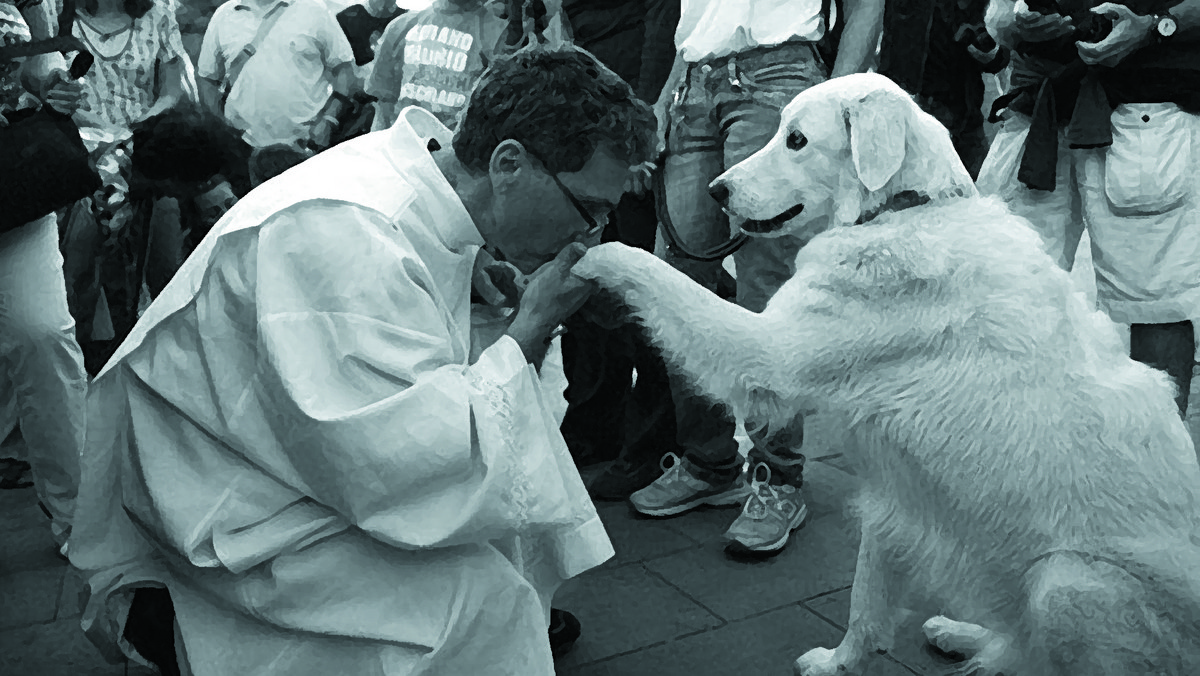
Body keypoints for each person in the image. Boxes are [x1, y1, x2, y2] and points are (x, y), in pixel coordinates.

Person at [68, 45, 653, 676]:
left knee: (514, 540)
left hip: (275, 466)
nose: (590, 235)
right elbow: (396, 465)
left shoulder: (416, 184)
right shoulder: (346, 232)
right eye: (588, 209)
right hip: (225, 515)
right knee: (485, 602)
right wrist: (532, 327)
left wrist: (482, 300)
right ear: (509, 163)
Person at [628, 0, 881, 556]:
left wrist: (834, 101)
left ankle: (778, 478)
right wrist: (668, 93)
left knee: (767, 289)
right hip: (693, 78)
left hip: (780, 74)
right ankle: (710, 460)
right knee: (680, 279)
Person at [978, 0, 1200, 418]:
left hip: (1148, 104)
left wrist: (1157, 26)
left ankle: (1155, 470)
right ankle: (1023, 461)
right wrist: (1017, 26)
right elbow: (1001, 14)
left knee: (1155, 303)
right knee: (1005, 293)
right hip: (1038, 111)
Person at [556, 0, 685, 500]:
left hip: (639, 115)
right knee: (586, 282)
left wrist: (637, 137)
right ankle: (593, 424)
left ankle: (653, 444)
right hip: (594, 124)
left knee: (641, 290)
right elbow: (572, 41)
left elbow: (665, 31)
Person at [0, 0, 89, 551]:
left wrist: (55, 81)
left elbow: (34, 66)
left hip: (12, 188)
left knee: (44, 336)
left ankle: (79, 516)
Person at [365, 0, 569, 130]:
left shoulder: (498, 33)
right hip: (400, 153)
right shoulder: (400, 27)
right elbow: (383, 108)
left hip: (458, 165)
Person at [875, 0, 1010, 178]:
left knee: (972, 190)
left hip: (960, 111)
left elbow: (988, 41)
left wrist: (995, 54)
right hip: (911, 108)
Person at [196, 0, 355, 150]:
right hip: (243, 147)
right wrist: (223, 130)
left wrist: (329, 120)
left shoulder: (313, 8)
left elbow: (344, 69)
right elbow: (208, 79)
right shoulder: (224, 16)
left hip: (306, 144)